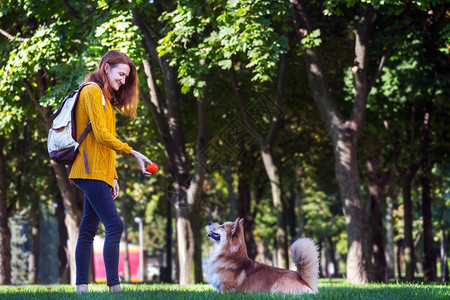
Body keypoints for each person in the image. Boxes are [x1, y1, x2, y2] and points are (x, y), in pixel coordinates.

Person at [69, 50, 152, 293]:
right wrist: (133, 152)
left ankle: (81, 288)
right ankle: (114, 287)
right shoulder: (91, 90)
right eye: (121, 74)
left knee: (87, 230)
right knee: (115, 225)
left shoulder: (106, 99)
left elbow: (105, 143)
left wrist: (112, 176)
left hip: (98, 172)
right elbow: (101, 135)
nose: (124, 81)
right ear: (106, 67)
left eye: (127, 77)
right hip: (87, 170)